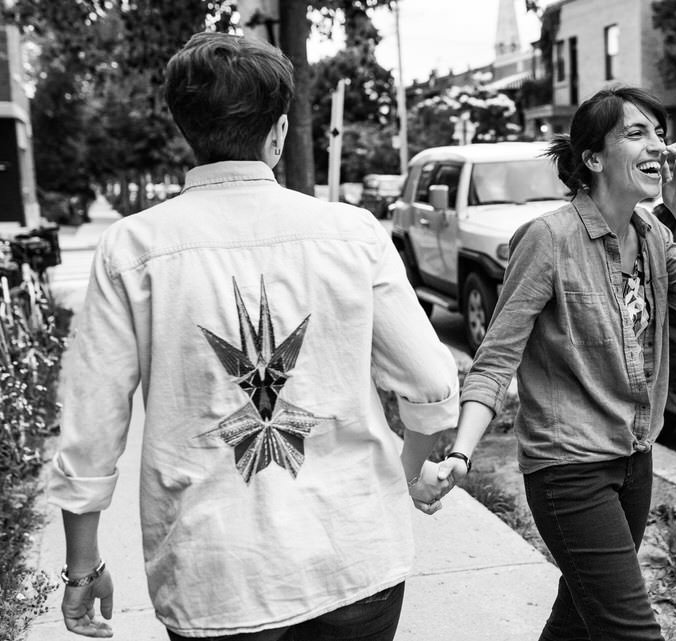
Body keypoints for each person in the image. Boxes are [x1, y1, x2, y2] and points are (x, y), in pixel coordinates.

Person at [49, 32, 459, 640]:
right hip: (356, 557)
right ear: (279, 134)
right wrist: (402, 474)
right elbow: (430, 384)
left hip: (216, 576)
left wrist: (82, 568)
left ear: (186, 128)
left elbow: (92, 426)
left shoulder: (132, 248)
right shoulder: (352, 233)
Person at [437, 85, 676, 640]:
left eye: (660, 132)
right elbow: (497, 356)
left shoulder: (652, 235)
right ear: (593, 158)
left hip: (634, 459)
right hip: (568, 469)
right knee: (632, 631)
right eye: (637, 132)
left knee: (577, 620)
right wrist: (461, 452)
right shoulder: (548, 238)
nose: (659, 145)